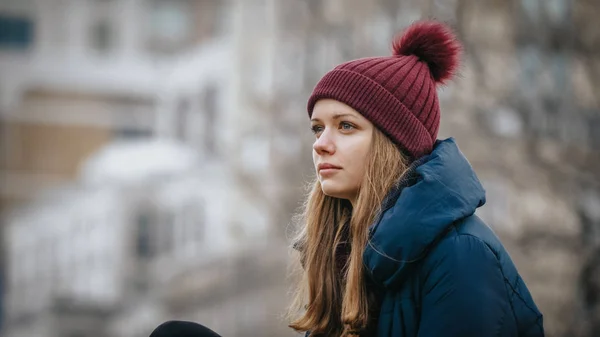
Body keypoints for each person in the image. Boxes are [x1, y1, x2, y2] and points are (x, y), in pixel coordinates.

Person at [287, 20, 545, 337]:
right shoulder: (341, 255)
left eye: (346, 126)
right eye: (318, 127)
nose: (320, 144)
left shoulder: (460, 255)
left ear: (393, 143)